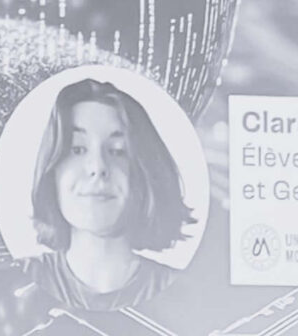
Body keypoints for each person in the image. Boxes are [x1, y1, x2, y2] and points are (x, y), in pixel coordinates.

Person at [22, 77, 197, 312]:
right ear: (52, 171)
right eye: (77, 149)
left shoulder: (185, 295)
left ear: (145, 174)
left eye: (117, 151)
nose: (97, 167)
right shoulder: (20, 285)